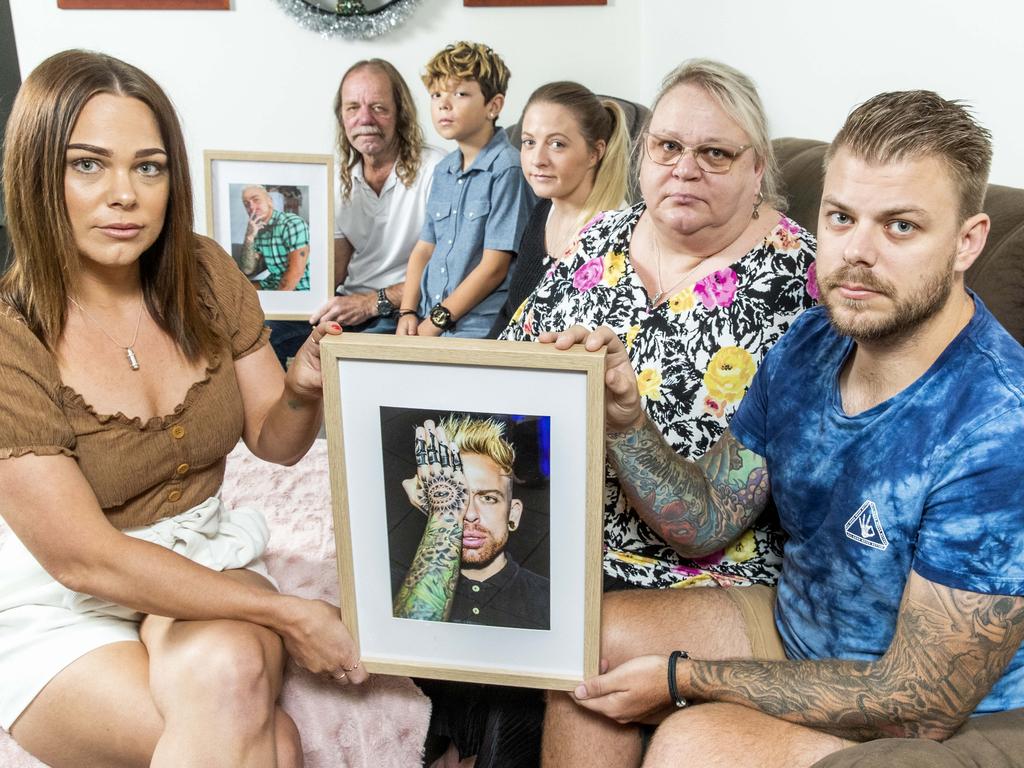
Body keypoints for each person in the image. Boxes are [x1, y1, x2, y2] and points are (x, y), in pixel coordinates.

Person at [545, 91, 1024, 768]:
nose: (857, 253)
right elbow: (706, 518)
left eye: (901, 227)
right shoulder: (810, 341)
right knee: (584, 640)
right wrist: (625, 420)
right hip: (802, 629)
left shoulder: (1000, 422)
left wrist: (685, 681)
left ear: (966, 241)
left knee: (692, 742)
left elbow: (922, 701)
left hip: (964, 714)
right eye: (840, 217)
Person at [0, 50, 368, 768]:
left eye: (148, 166)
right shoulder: (11, 337)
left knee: (230, 670)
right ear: (36, 172)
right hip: (62, 598)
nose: (125, 195)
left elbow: (276, 443)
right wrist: (289, 613)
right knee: (277, 744)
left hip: (206, 552)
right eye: (87, 165)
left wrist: (299, 390)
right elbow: (83, 559)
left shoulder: (201, 272)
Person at [267, 59, 444, 367]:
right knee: (262, 340)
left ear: (401, 113)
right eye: (352, 108)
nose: (365, 118)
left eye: (378, 107)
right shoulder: (334, 177)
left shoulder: (438, 171)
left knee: (360, 364)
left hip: (405, 308)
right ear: (342, 117)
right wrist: (282, 300)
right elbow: (333, 270)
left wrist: (371, 304)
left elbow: (448, 274)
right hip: (348, 303)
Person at [396, 41, 536, 339]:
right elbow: (424, 249)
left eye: (460, 94)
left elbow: (494, 268)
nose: (444, 104)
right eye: (436, 95)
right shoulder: (442, 170)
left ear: (493, 106)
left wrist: (434, 323)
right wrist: (408, 311)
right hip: (426, 319)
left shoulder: (508, 168)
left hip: (477, 328)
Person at [486, 80, 630, 338]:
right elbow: (510, 313)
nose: (538, 159)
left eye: (557, 144)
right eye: (529, 142)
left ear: (595, 153)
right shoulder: (541, 211)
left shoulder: (619, 234)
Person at [392, 415, 549, 630]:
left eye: (488, 498)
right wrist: (445, 516)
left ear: (513, 514)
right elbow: (409, 643)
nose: (470, 514)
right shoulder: (392, 588)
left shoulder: (551, 600)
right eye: (456, 495)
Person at [240, 184, 311, 291]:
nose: (251, 207)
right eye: (246, 204)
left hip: (299, 287)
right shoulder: (257, 229)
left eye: (256, 200)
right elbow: (247, 269)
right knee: (239, 290)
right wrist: (249, 237)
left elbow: (296, 272)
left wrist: (276, 302)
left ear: (270, 201)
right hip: (273, 283)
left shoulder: (292, 223)